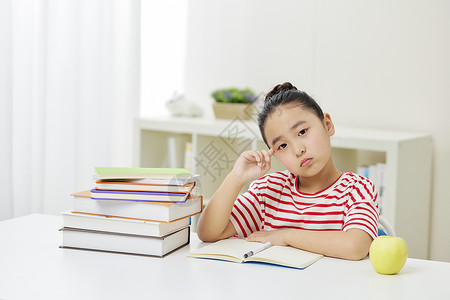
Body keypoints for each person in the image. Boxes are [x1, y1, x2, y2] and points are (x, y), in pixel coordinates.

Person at [196, 82, 379, 260]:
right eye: (282, 145)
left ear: (327, 125)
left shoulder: (357, 188)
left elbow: (355, 247)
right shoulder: (269, 191)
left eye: (302, 132)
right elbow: (208, 233)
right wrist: (236, 178)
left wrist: (285, 236)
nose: (298, 150)